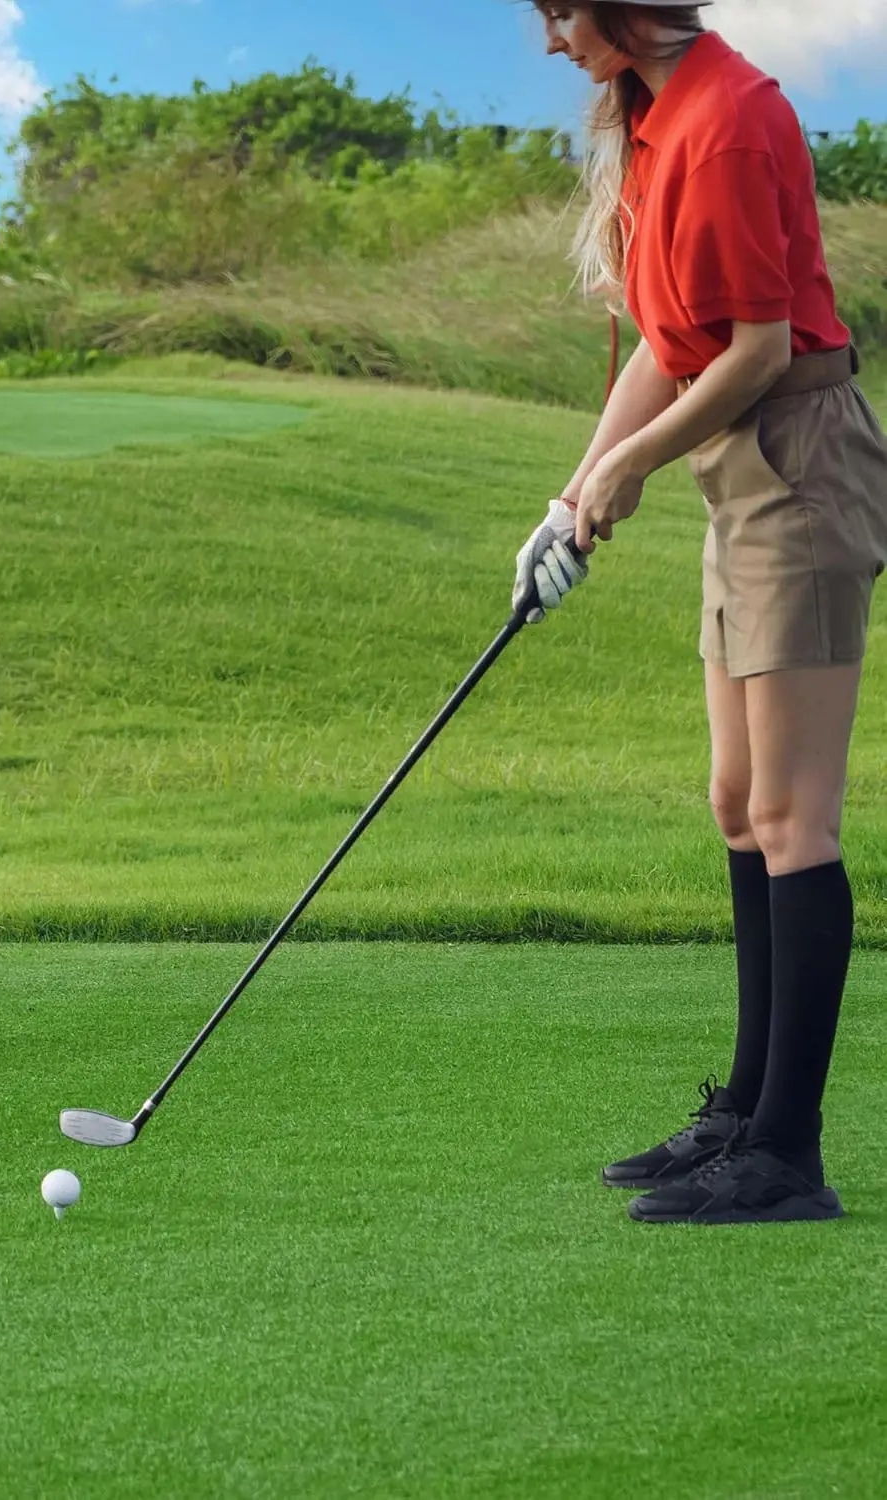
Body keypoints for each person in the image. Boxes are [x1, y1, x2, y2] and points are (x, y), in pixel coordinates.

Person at [513, 2, 887, 1223]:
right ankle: (743, 1108)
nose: (551, 39)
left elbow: (760, 350)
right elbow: (672, 347)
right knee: (737, 800)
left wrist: (628, 475)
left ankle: (788, 1153)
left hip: (802, 469)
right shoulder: (653, 119)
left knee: (792, 815)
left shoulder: (728, 121)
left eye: (563, 10)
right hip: (742, 477)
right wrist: (573, 493)